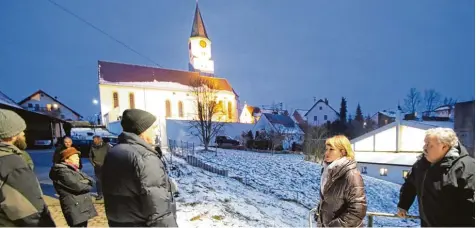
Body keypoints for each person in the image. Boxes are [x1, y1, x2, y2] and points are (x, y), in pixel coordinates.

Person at [102, 109, 178, 227]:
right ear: (142, 130)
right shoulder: (144, 157)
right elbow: (157, 208)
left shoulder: (113, 153)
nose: (155, 132)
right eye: (153, 128)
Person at [397, 127, 475, 227]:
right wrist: (403, 205)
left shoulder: (467, 168)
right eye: (425, 143)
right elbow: (410, 185)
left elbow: (471, 207)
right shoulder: (421, 164)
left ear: (445, 147)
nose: (424, 148)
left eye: (430, 145)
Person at [0, 109, 56, 226]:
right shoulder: (12, 164)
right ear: (10, 134)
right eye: (20, 131)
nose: (24, 134)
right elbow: (31, 212)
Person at [316, 135, 367, 227]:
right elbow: (327, 199)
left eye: (331, 149)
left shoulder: (351, 175)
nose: (326, 153)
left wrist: (334, 226)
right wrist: (320, 214)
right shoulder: (327, 172)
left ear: (342, 152)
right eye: (326, 149)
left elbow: (358, 211)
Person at [49, 147, 97, 227]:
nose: (78, 159)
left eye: (78, 157)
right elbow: (78, 186)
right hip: (75, 208)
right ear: (66, 160)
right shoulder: (62, 171)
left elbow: (91, 180)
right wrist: (85, 182)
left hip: (81, 207)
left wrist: (86, 181)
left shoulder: (74, 169)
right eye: (75, 157)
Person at [89, 135, 111, 200]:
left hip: (106, 166)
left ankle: (107, 194)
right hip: (97, 166)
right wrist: (93, 163)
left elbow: (111, 155)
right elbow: (90, 156)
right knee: (98, 181)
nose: (94, 142)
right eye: (93, 140)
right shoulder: (92, 146)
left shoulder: (107, 146)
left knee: (107, 180)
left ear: (100, 140)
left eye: (95, 140)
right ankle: (100, 194)